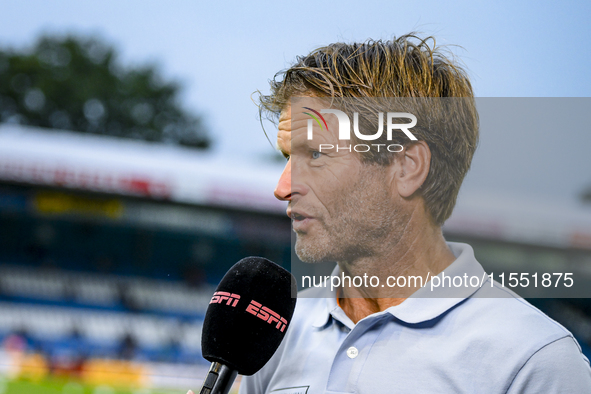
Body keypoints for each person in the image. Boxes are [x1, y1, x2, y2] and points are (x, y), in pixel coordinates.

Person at [237, 35, 591, 393]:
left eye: (315, 155)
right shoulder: (276, 328)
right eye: (288, 159)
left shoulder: (532, 361)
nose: (282, 187)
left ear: (407, 167)